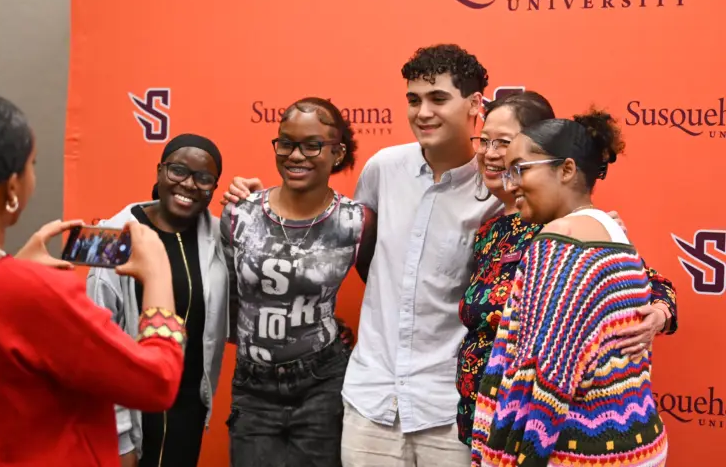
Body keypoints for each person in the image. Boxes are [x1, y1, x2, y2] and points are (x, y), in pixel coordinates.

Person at [224, 45, 499, 465]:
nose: (423, 112)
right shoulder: (383, 168)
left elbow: (555, 224)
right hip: (370, 400)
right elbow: (362, 252)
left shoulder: (496, 190)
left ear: (475, 103)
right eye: (413, 100)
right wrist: (253, 200)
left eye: (438, 98)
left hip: (447, 405)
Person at [0, 92, 186, 467]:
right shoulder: (37, 295)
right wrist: (159, 275)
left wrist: (13, 269)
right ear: (12, 188)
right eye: (32, 164)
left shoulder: (11, 287)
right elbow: (156, 383)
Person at [458, 92, 678, 452]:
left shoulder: (570, 232)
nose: (490, 152)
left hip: (530, 436)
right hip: (489, 425)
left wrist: (656, 315)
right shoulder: (491, 232)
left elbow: (548, 382)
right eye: (484, 141)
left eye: (505, 144)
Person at [221, 97, 376, 467]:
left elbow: (384, 295)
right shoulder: (240, 213)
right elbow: (223, 293)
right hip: (253, 387)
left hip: (322, 382)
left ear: (337, 152)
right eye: (286, 142)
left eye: (312, 145)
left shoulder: (356, 223)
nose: (296, 155)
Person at [87, 134, 230, 467]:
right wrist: (120, 434)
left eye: (203, 178)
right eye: (177, 170)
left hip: (189, 408)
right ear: (159, 171)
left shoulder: (220, 236)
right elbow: (98, 346)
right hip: (131, 411)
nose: (189, 184)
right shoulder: (112, 234)